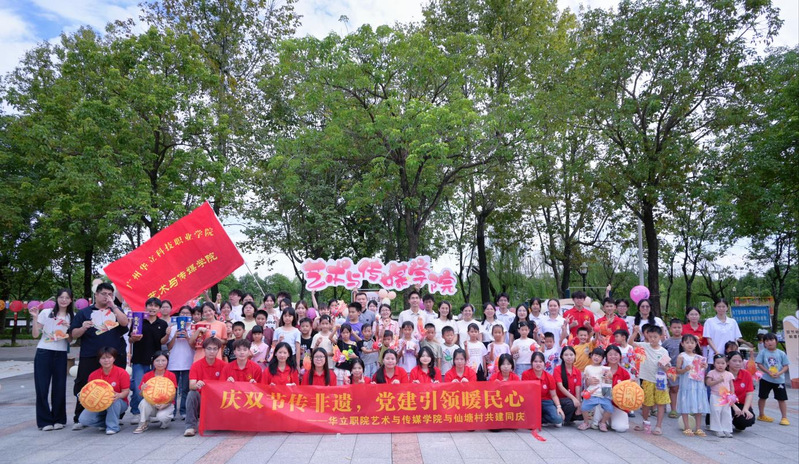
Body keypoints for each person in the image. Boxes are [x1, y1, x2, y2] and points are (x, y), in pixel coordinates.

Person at [69, 282, 129, 429]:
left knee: (115, 384)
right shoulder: (84, 312)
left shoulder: (116, 310)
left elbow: (124, 323)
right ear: (96, 294)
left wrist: (114, 307)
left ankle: (115, 416)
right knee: (84, 384)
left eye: (110, 294)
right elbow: (73, 334)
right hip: (90, 354)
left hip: (114, 355)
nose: (107, 297)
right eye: (103, 294)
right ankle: (79, 416)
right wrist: (83, 327)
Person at [30, 289, 73, 431]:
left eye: (67, 297)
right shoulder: (46, 313)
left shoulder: (71, 316)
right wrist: (35, 318)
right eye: (61, 297)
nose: (64, 300)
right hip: (44, 351)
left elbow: (71, 341)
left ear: (71, 300)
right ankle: (44, 421)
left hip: (61, 353)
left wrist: (69, 329)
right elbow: (35, 335)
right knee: (42, 387)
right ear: (57, 299)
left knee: (59, 387)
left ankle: (59, 419)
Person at [129, 297, 169, 425]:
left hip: (156, 362)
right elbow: (130, 339)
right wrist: (134, 339)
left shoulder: (162, 324)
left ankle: (151, 412)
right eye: (150, 305)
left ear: (159, 309)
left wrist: (168, 334)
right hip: (139, 359)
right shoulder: (138, 320)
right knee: (138, 387)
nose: (152, 308)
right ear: (146, 307)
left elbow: (162, 342)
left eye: (155, 306)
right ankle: (136, 412)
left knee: (154, 387)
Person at [77, 347, 130, 435]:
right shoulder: (93, 375)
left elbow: (126, 391)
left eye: (109, 357)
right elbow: (90, 391)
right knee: (83, 419)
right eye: (103, 358)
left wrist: (119, 395)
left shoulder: (122, 373)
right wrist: (83, 397)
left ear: (114, 358)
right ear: (99, 360)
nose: (106, 360)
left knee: (112, 399)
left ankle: (113, 427)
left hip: (118, 403)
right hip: (98, 403)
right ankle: (108, 422)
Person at [633, 325, 671, 435]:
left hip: (660, 380)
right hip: (647, 379)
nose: (652, 339)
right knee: (646, 403)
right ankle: (645, 422)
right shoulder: (644, 346)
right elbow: (630, 343)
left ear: (661, 337)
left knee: (661, 403)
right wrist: (635, 332)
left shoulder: (664, 351)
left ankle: (658, 426)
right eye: (650, 337)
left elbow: (667, 368)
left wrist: (664, 367)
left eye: (655, 337)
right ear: (647, 336)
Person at [184, 337, 225, 437]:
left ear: (218, 350)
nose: (212, 351)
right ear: (204, 350)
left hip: (217, 400)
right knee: (192, 394)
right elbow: (191, 385)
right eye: (209, 348)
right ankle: (190, 426)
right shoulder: (196, 365)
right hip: (202, 399)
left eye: (215, 349)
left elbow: (226, 386)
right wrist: (197, 385)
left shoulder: (223, 365)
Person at [134, 351, 177, 434]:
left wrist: (165, 404)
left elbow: (173, 394)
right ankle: (143, 423)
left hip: (166, 404)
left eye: (163, 360)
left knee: (162, 417)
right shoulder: (147, 375)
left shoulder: (171, 375)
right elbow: (141, 395)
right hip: (152, 404)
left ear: (167, 361)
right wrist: (142, 390)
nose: (160, 363)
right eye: (157, 361)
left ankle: (165, 421)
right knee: (143, 403)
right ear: (153, 362)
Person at [675, 334, 710, 436]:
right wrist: (685, 369)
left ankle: (698, 428)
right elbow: (677, 370)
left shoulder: (699, 357)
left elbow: (702, 371)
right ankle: (687, 427)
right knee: (685, 403)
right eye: (687, 342)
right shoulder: (681, 356)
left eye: (692, 342)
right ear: (682, 344)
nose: (690, 345)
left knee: (699, 405)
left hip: (698, 385)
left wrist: (704, 366)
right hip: (686, 384)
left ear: (696, 344)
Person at [756, 332, 790, 425]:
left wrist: (779, 373)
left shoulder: (781, 353)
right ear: (764, 343)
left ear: (776, 341)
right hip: (766, 379)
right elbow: (759, 364)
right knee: (762, 397)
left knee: (781, 399)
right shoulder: (763, 352)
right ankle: (761, 414)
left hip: (779, 380)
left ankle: (784, 417)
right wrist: (768, 372)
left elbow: (786, 366)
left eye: (771, 340)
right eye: (766, 341)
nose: (769, 342)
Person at [522, 352, 564, 426]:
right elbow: (525, 392)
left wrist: (559, 407)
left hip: (546, 402)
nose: (538, 364)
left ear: (544, 363)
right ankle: (537, 419)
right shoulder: (526, 374)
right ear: (531, 363)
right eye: (535, 361)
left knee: (558, 419)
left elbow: (554, 395)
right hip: (532, 402)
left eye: (540, 361)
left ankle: (540, 419)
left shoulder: (549, 377)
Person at [166, 305, 194, 420]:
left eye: (187, 313)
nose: (185, 315)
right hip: (174, 363)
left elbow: (195, 346)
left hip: (189, 362)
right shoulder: (172, 328)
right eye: (183, 313)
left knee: (185, 389)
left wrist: (187, 337)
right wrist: (174, 336)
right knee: (173, 389)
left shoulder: (193, 328)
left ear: (191, 315)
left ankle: (183, 411)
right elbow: (168, 347)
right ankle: (171, 412)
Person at [578, 348, 613, 432]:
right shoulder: (588, 368)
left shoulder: (604, 368)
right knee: (584, 407)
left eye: (599, 356)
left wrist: (609, 375)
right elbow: (585, 381)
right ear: (591, 355)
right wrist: (587, 380)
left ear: (602, 358)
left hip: (603, 394)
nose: (596, 357)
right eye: (595, 355)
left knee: (610, 409)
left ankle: (603, 422)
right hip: (591, 393)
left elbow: (610, 378)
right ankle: (586, 422)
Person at [599, 345, 631, 432]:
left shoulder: (625, 373)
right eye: (610, 354)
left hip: (618, 406)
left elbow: (628, 393)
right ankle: (603, 420)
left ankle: (608, 420)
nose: (613, 357)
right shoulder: (601, 370)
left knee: (621, 428)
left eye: (616, 354)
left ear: (620, 356)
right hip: (602, 403)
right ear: (606, 356)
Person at [725, 351, 756, 431]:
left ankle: (737, 423)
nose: (737, 363)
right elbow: (723, 394)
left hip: (740, 403)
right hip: (725, 403)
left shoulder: (746, 374)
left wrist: (745, 409)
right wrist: (734, 407)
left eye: (740, 361)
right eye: (734, 361)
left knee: (747, 419)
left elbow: (749, 393)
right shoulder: (723, 374)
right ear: (728, 362)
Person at [707, 354, 735, 437]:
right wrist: (718, 381)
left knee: (726, 412)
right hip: (715, 395)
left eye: (723, 363)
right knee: (716, 411)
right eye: (718, 363)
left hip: (726, 396)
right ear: (714, 363)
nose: (720, 365)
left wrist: (732, 395)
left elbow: (731, 385)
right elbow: (708, 383)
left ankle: (727, 429)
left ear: (727, 364)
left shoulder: (729, 374)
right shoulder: (711, 373)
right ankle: (717, 429)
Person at [554, 346, 582, 425]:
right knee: (571, 403)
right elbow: (560, 387)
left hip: (571, 399)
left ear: (575, 356)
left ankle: (567, 418)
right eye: (566, 355)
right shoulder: (557, 369)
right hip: (560, 400)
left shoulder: (577, 371)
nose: (569, 357)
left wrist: (578, 405)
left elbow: (578, 388)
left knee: (583, 409)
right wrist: (574, 399)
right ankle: (563, 419)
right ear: (562, 356)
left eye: (571, 355)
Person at [662, 318, 683, 419]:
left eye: (679, 327)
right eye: (674, 327)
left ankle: (686, 409)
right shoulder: (667, 342)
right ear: (670, 329)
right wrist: (666, 367)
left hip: (684, 369)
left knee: (685, 389)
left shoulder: (686, 340)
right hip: (672, 369)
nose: (677, 329)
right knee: (674, 388)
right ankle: (673, 409)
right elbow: (662, 355)